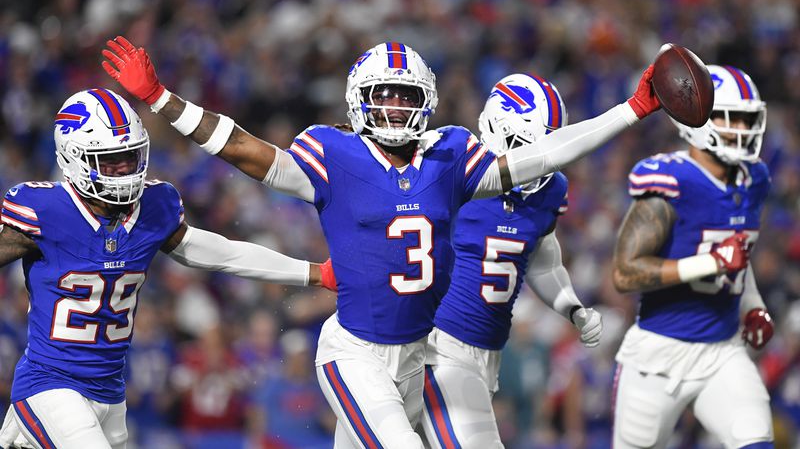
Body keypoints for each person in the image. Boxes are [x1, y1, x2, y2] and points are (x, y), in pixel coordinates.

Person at [102, 36, 661, 448]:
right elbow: (246, 150)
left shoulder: (450, 157)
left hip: (418, 359)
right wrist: (160, 99)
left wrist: (629, 111)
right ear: (359, 100)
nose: (394, 108)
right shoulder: (334, 156)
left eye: (404, 96)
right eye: (384, 95)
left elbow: (541, 157)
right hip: (354, 354)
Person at [0, 88, 335, 449]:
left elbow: (221, 254)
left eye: (130, 158)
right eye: (111, 161)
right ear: (74, 159)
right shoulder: (44, 210)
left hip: (110, 393)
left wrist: (314, 272)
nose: (125, 171)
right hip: (50, 384)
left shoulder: (154, 207)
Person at [420, 74, 603, 448]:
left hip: (487, 354)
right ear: (496, 127)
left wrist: (572, 307)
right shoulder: (455, 171)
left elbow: (541, 260)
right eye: (525, 147)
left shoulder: (551, 189)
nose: (536, 162)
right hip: (436, 344)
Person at [611, 65, 775, 449]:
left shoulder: (755, 179)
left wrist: (752, 305)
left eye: (749, 120)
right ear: (697, 121)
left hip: (723, 350)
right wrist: (710, 263)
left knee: (756, 440)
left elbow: (739, 259)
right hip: (658, 356)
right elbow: (625, 272)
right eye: (732, 119)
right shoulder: (671, 181)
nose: (743, 130)